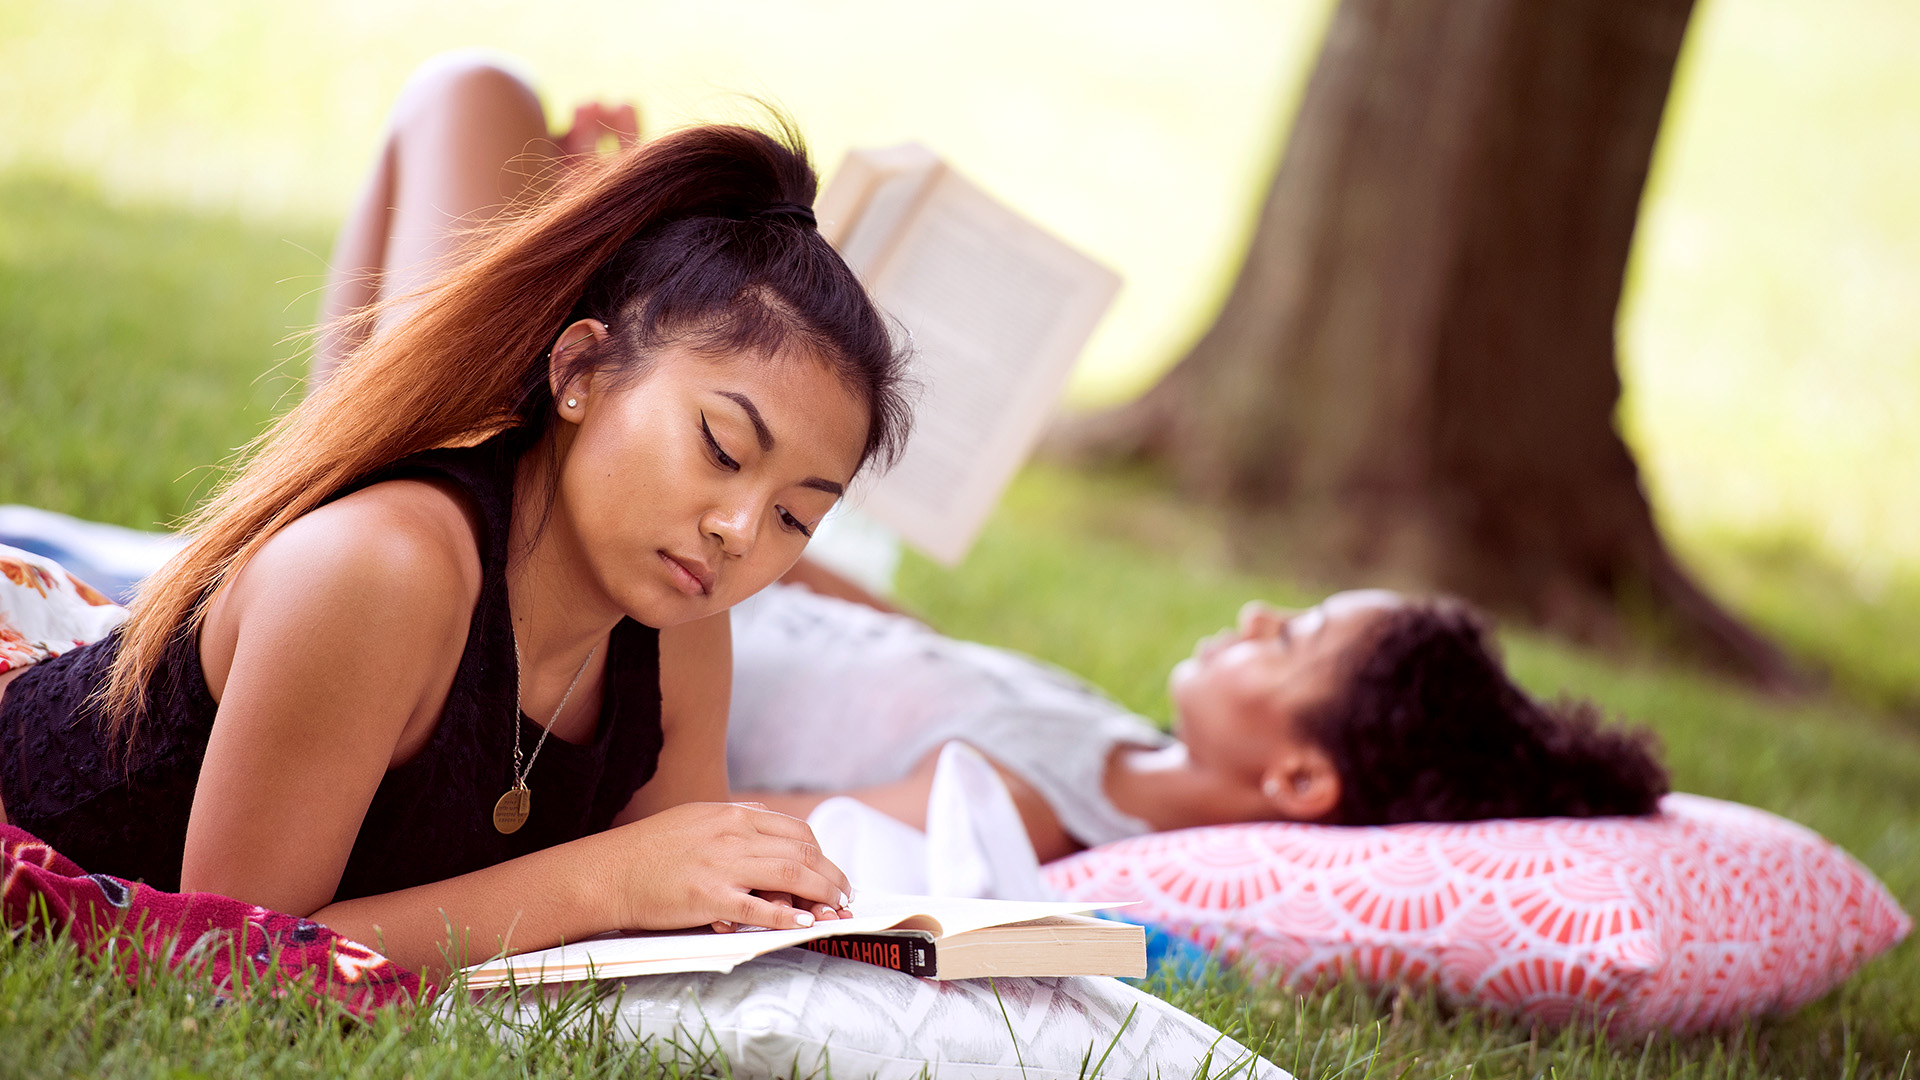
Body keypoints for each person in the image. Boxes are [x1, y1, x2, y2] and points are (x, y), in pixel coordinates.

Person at [0, 53, 912, 981]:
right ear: (581, 373)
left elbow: (675, 941)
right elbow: (240, 946)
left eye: (797, 518)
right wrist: (612, 879)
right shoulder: (378, 570)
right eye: (721, 447)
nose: (741, 531)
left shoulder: (680, 629)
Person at [726, 579, 1671, 864]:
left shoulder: (1017, 811)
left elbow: (725, 821)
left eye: (1292, 638)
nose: (1258, 616)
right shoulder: (1116, 737)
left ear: (1299, 779)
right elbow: (911, 646)